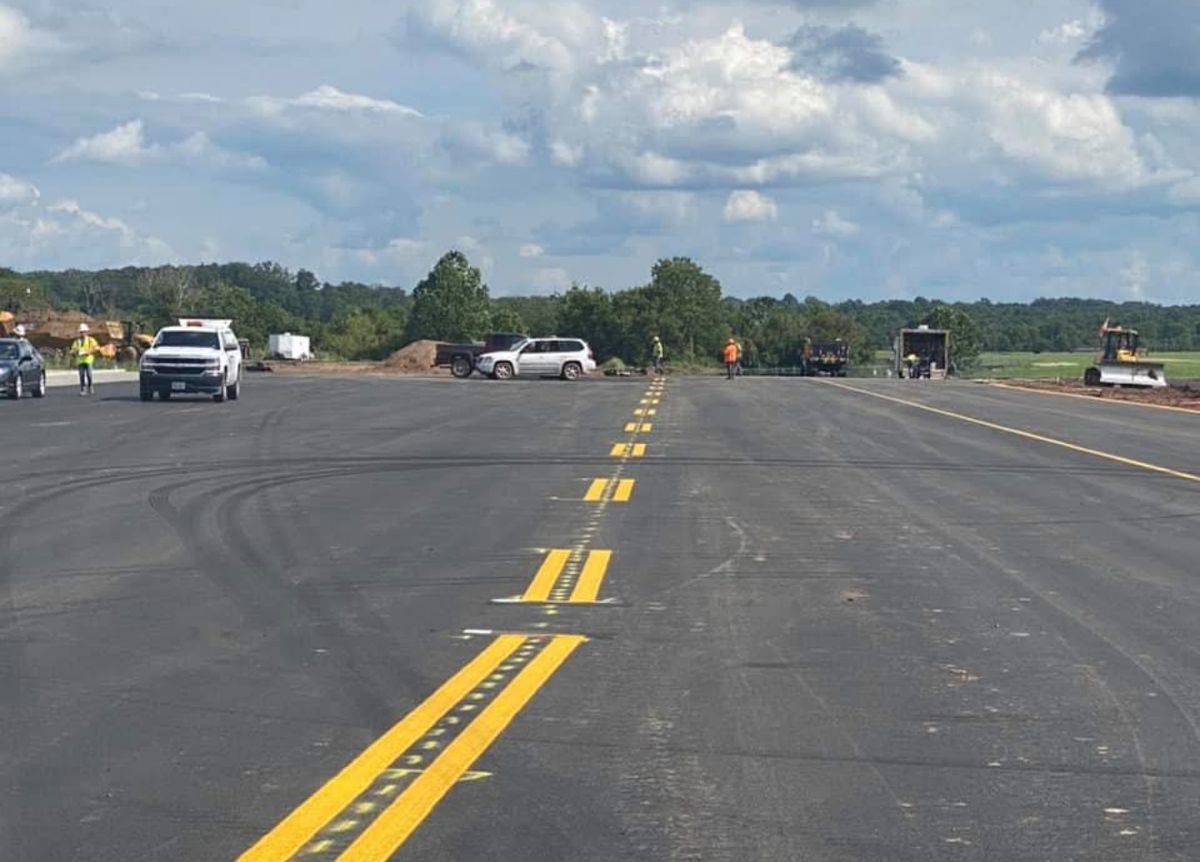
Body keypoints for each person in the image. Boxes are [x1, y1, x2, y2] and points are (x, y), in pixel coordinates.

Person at [70, 323, 99, 396]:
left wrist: (89, 352)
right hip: (80, 361)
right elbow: (73, 350)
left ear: (86, 332)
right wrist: (73, 352)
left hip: (88, 360)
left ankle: (90, 386)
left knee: (89, 375)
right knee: (81, 375)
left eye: (83, 332)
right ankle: (83, 389)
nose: (82, 333)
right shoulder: (76, 342)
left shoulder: (90, 340)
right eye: (81, 332)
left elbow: (96, 348)